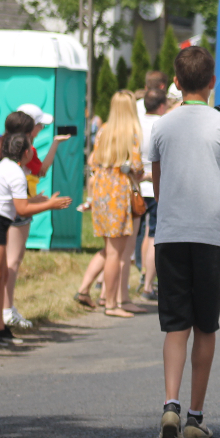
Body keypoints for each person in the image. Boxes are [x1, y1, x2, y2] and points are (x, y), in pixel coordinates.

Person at [149, 46, 220, 438]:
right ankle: (194, 417)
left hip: (169, 234)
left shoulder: (161, 127)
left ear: (175, 83)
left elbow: (157, 187)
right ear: (211, 83)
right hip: (208, 235)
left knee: (175, 325)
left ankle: (169, 405)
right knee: (206, 325)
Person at [0, 133, 70, 345]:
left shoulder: (6, 166)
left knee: (1, 275)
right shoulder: (15, 172)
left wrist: (37, 200)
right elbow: (22, 209)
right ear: (26, 152)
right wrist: (50, 205)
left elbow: (14, 203)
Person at [87, 91, 144, 318]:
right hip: (119, 192)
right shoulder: (132, 134)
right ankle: (111, 303)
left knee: (110, 249)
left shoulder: (103, 130)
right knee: (115, 253)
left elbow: (93, 160)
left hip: (101, 189)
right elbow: (137, 168)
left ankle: (110, 300)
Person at [137, 88, 166, 301]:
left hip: (137, 185)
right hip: (156, 184)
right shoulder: (163, 125)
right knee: (154, 234)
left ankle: (142, 274)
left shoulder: (136, 124)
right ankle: (148, 284)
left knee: (141, 233)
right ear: (162, 105)